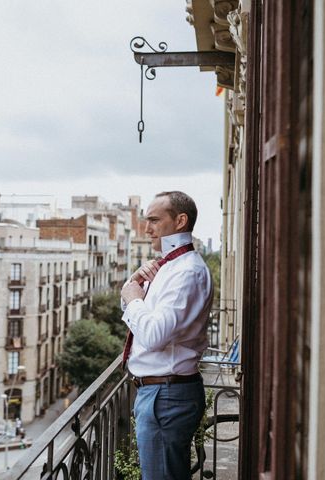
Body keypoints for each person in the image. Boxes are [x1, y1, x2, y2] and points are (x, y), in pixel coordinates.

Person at [120, 191, 213, 480]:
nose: (147, 229)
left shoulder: (186, 272)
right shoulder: (169, 267)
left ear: (180, 221)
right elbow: (140, 318)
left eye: (154, 220)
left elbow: (153, 334)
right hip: (161, 393)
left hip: (167, 396)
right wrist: (134, 286)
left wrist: (133, 298)